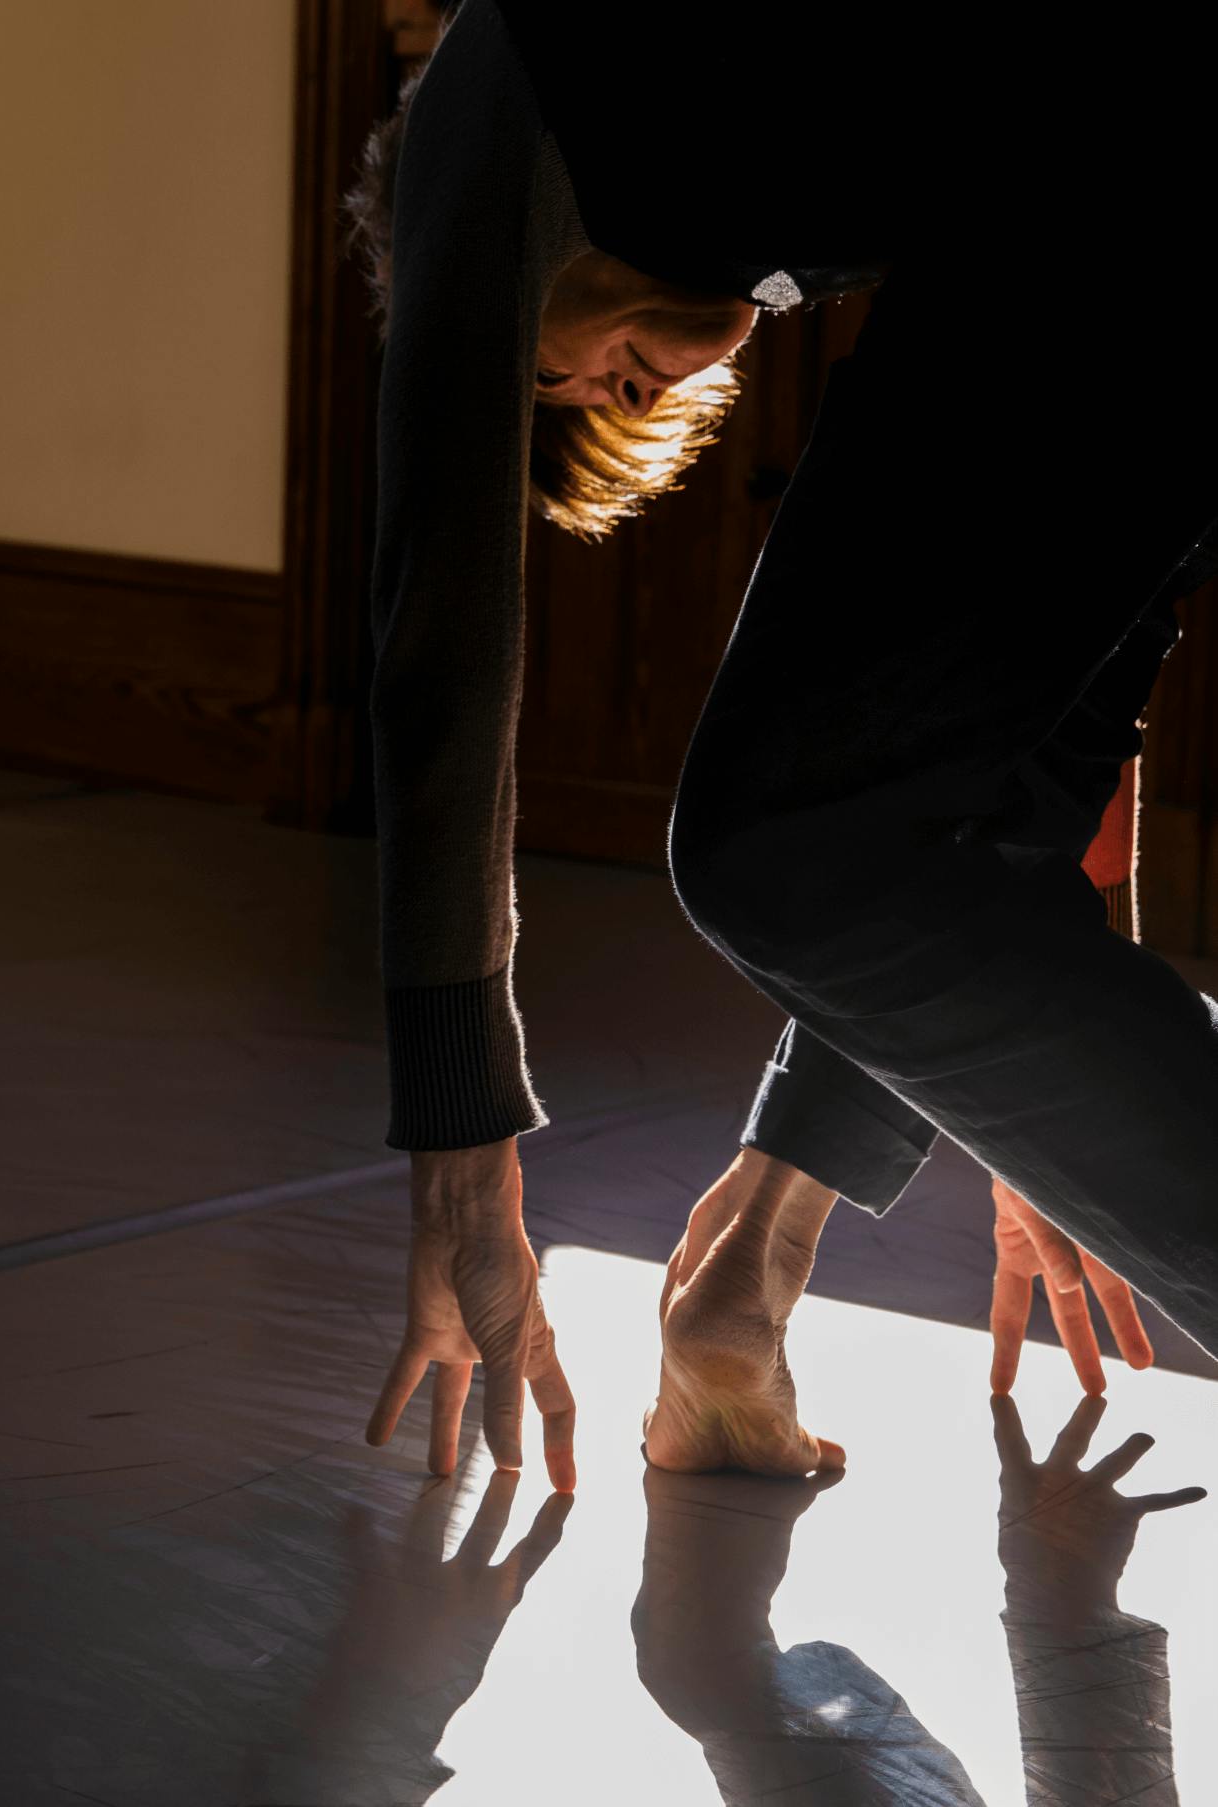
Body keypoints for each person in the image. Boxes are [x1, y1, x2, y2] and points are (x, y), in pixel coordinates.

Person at [344, 0, 1218, 1488]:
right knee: (830, 847)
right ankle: (740, 1283)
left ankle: (746, 1274)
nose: (611, 389)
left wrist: (459, 1168)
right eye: (592, 404)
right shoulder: (852, 189)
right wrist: (1035, 1078)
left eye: (555, 372)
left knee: (777, 853)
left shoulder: (482, 93)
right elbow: (1052, 695)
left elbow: (440, 620)